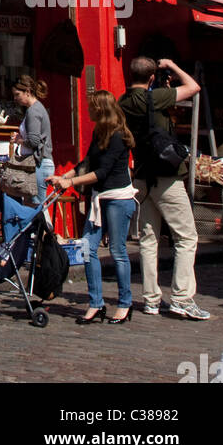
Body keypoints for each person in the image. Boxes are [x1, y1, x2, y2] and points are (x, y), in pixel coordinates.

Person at [119, 56, 210, 320]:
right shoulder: (155, 98)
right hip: (166, 178)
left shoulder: (123, 102)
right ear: (150, 78)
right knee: (186, 237)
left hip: (141, 175)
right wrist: (173, 67)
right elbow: (193, 88)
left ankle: (150, 299)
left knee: (148, 240)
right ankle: (182, 297)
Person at [55, 90, 137, 324]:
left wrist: (70, 182)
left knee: (118, 251)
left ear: (100, 109)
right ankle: (96, 302)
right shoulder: (99, 131)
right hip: (99, 197)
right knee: (87, 248)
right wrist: (64, 175)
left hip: (118, 198)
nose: (87, 109)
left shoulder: (119, 136)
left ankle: (124, 303)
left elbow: (101, 172)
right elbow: (87, 162)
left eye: (91, 106)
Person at [11, 75, 54, 206]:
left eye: (18, 94)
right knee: (35, 206)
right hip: (41, 163)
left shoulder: (33, 111)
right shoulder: (37, 108)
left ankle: (42, 227)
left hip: (39, 164)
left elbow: (34, 141)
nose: (15, 98)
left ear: (28, 92)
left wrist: (19, 140)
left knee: (36, 207)